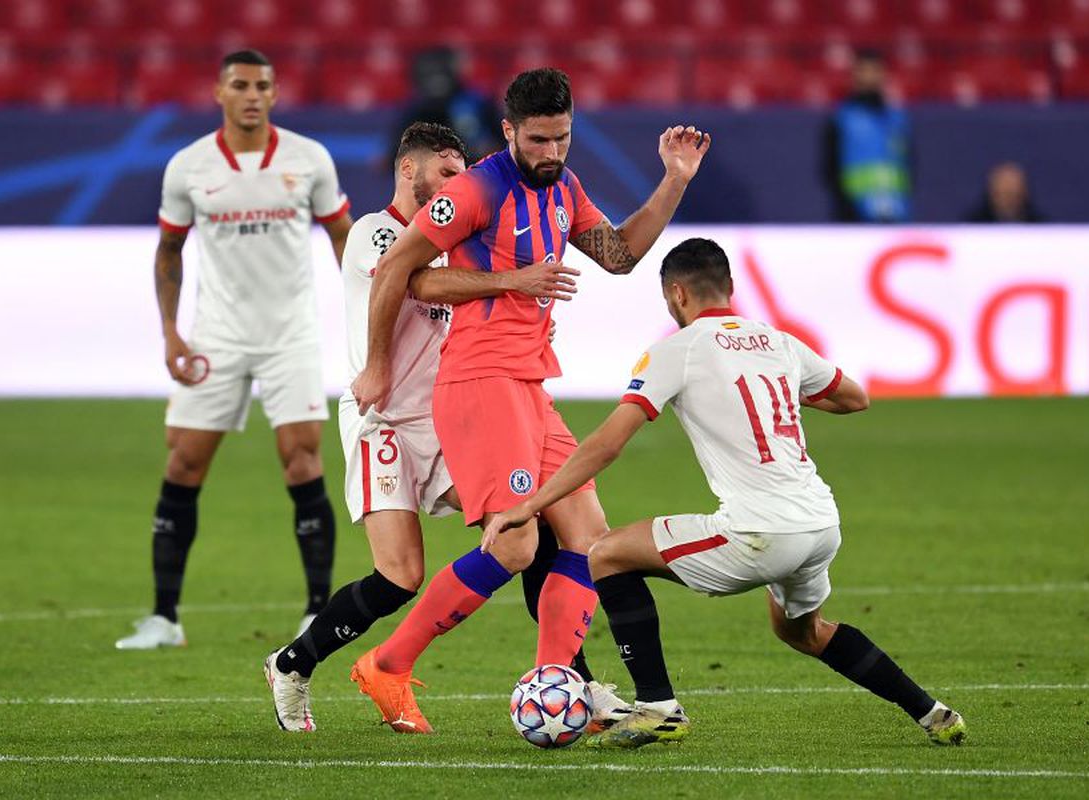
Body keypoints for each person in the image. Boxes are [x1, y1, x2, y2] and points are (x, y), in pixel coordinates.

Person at [483, 238, 969, 749]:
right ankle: (933, 712)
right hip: (820, 523)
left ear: (675, 295)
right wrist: (776, 388)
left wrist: (531, 504)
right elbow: (855, 398)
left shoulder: (677, 350)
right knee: (803, 632)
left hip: (760, 529)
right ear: (730, 289)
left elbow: (607, 443)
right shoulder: (778, 341)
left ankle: (657, 708)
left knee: (606, 553)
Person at [347, 68, 711, 733]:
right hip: (479, 382)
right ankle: (389, 663)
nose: (552, 153)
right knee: (515, 546)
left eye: (562, 138)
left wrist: (675, 181)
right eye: (539, 140)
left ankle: (553, 679)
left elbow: (622, 254)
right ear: (510, 131)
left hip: (530, 382)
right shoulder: (476, 188)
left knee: (589, 538)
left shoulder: (565, 187)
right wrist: (378, 363)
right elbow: (404, 271)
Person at [261, 121, 625, 732]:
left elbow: (473, 300)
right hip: (384, 421)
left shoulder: (454, 240)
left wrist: (524, 321)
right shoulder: (375, 233)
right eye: (448, 174)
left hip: (447, 415)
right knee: (399, 575)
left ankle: (573, 684)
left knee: (526, 522)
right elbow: (411, 280)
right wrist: (506, 285)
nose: (459, 186)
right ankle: (293, 665)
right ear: (410, 170)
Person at [116, 50, 354, 650]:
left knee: (303, 459)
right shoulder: (189, 166)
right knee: (183, 463)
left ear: (275, 94)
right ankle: (164, 617)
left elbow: (343, 236)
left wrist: (363, 313)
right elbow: (169, 251)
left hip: (289, 334)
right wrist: (171, 333)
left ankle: (315, 610)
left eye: (263, 86)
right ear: (219, 91)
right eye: (241, 85)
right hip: (216, 335)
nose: (253, 95)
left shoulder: (309, 159)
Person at [821, 49, 913, 223]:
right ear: (854, 76)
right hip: (854, 214)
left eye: (875, 71)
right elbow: (830, 169)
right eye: (865, 71)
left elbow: (909, 165)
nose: (870, 77)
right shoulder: (841, 119)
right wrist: (845, 207)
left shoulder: (898, 118)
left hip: (896, 212)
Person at [390, 46, 505, 165]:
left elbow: (503, 144)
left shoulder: (479, 102)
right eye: (430, 73)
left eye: (441, 71)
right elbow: (397, 156)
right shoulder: (414, 110)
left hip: (477, 173)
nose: (437, 81)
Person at [965, 161, 1044, 223]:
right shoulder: (973, 227)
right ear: (992, 193)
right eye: (1003, 194)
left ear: (1024, 193)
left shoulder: (1041, 228)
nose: (1008, 200)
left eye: (1013, 193)